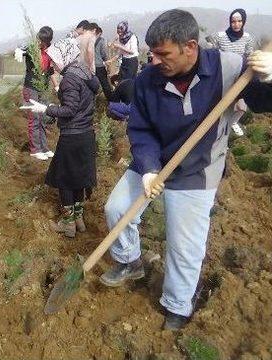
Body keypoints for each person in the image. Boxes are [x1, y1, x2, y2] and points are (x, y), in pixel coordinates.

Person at [100, 9, 272, 330]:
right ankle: (129, 261)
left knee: (184, 245)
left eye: (163, 53)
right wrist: (149, 168)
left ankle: (178, 304)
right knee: (117, 208)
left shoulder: (229, 68)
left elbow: (263, 102)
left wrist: (270, 77)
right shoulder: (146, 80)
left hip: (198, 167)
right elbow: (140, 129)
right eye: (152, 53)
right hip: (153, 161)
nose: (155, 60)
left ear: (190, 47)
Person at [20, 39, 100, 237]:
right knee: (79, 179)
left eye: (54, 59)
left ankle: (68, 223)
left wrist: (46, 108)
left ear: (64, 57)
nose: (52, 64)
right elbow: (82, 100)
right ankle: (78, 218)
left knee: (64, 179)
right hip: (86, 135)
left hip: (72, 136)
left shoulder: (70, 78)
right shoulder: (85, 72)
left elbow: (70, 109)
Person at [208, 9, 257, 137]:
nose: (236, 24)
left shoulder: (247, 38)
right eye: (233, 21)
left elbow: (249, 56)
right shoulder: (220, 36)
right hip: (222, 76)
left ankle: (232, 123)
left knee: (241, 107)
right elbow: (211, 51)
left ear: (243, 22)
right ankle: (219, 134)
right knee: (221, 108)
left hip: (239, 77)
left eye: (239, 21)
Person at [15, 26, 58, 161]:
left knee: (42, 118)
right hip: (31, 88)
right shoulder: (32, 48)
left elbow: (50, 70)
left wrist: (56, 85)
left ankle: (44, 148)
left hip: (43, 88)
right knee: (34, 118)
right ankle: (35, 150)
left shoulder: (49, 51)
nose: (41, 43)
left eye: (44, 41)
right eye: (39, 39)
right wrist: (18, 51)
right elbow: (21, 49)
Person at [94, 24, 114, 100]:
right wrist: (108, 66)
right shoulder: (101, 40)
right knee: (105, 85)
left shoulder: (88, 40)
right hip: (99, 66)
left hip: (89, 67)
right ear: (99, 33)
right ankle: (111, 102)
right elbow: (104, 54)